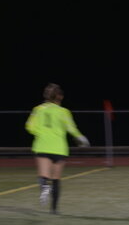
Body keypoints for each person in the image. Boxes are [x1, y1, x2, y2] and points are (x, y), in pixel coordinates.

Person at [25, 83, 89, 214]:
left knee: (44, 176)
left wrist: (41, 133)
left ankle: (44, 186)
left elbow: (29, 126)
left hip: (42, 146)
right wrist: (80, 138)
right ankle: (54, 209)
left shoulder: (38, 109)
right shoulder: (63, 112)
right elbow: (71, 128)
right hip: (59, 148)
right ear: (60, 96)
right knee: (56, 179)